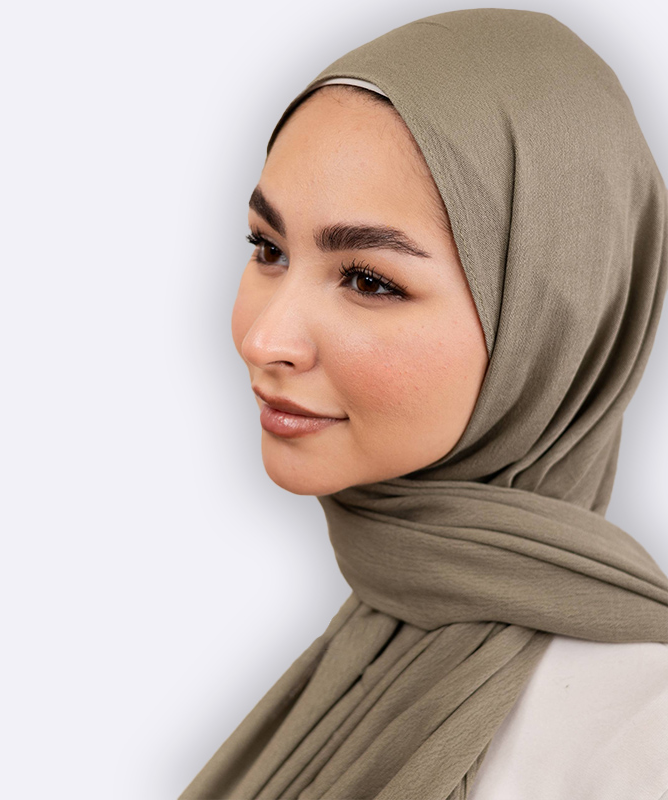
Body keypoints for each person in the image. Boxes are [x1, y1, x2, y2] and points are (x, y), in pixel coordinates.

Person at [179, 9, 668, 799]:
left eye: (369, 280)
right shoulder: (370, 648)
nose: (265, 339)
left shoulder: (642, 737)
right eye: (268, 249)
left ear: (546, 325)